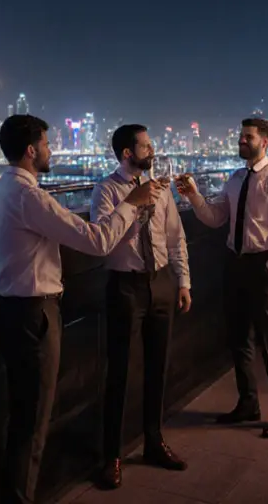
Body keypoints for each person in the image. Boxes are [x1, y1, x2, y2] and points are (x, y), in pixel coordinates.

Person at [0, 114, 159, 503]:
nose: (52, 150)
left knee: (22, 418)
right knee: (32, 423)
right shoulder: (29, 196)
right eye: (47, 144)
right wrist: (130, 204)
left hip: (10, 312)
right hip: (34, 317)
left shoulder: (1, 189)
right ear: (31, 150)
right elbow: (97, 241)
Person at [176, 117, 268, 439]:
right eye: (241, 136)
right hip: (235, 264)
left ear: (265, 142)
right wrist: (194, 196)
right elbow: (216, 218)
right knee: (239, 338)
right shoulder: (235, 179)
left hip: (261, 265)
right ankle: (248, 403)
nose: (242, 141)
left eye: (248, 137)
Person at [91, 125, 191, 490]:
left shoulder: (161, 189)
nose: (153, 149)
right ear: (128, 153)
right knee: (118, 372)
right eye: (146, 145)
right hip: (126, 286)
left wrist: (183, 282)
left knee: (157, 367)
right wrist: (135, 205)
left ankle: (153, 441)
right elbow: (102, 239)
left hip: (161, 282)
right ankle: (112, 456)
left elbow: (175, 237)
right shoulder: (106, 190)